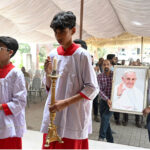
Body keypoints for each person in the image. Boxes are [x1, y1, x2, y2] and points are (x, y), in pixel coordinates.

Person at [41, 11, 99, 149]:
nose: (58, 36)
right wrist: (48, 74)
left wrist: (65, 103)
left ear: (73, 30)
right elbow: (49, 87)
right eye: (55, 32)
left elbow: (92, 88)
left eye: (62, 31)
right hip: (54, 110)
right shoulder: (53, 54)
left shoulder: (82, 55)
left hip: (74, 113)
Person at [0, 36, 27, 149]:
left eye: (0, 48)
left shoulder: (15, 74)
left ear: (10, 52)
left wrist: (1, 107)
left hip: (9, 121)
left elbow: (20, 102)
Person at [97, 59, 114, 143]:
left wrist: (111, 99)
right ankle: (111, 141)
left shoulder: (115, 75)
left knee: (105, 118)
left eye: (108, 64)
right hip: (103, 102)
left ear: (110, 65)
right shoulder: (99, 76)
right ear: (102, 66)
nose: (106, 66)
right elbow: (99, 90)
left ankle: (101, 137)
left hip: (113, 103)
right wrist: (107, 99)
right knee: (106, 121)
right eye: (104, 65)